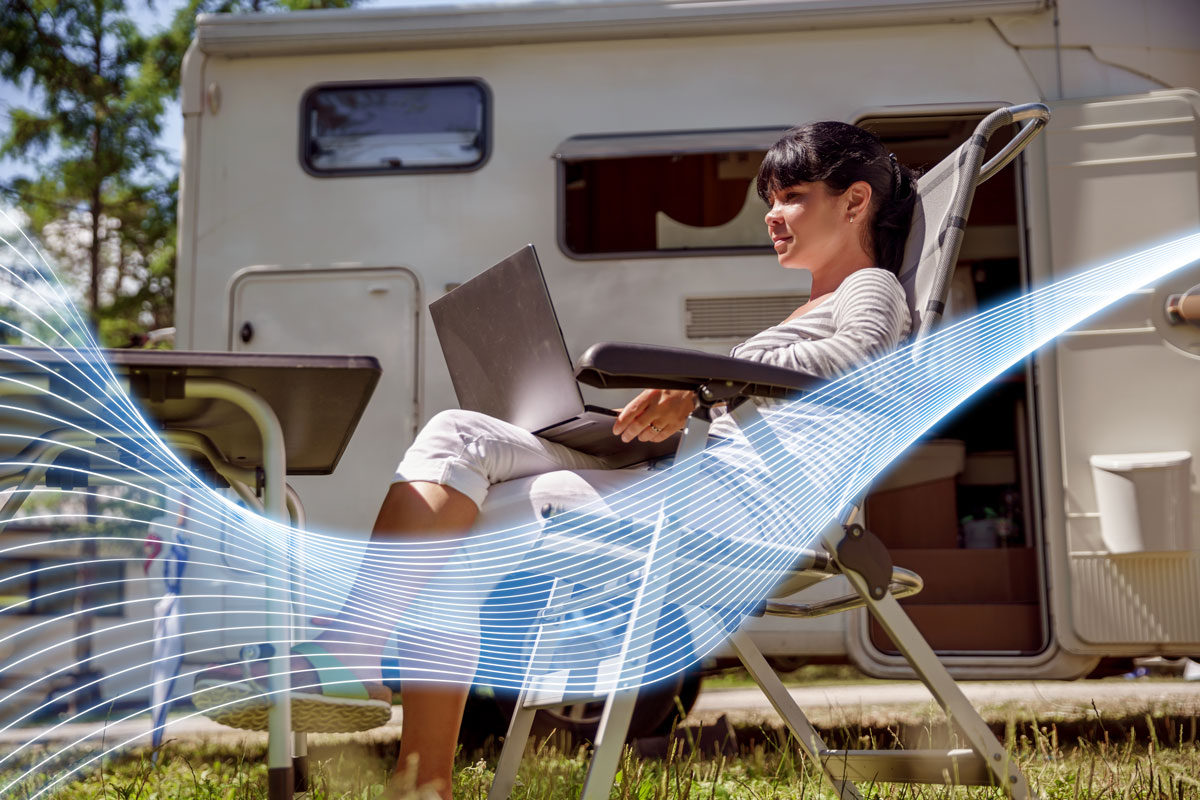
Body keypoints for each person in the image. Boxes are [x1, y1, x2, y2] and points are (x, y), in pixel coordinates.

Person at [195, 120, 917, 799]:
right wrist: (671, 409)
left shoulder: (871, 287)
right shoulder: (800, 310)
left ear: (855, 202)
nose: (774, 214)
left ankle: (410, 761)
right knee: (457, 435)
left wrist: (704, 389)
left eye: (793, 197)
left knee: (452, 538)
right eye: (770, 200)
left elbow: (860, 363)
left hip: (735, 517)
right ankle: (367, 668)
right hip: (683, 482)